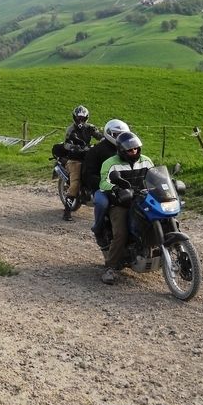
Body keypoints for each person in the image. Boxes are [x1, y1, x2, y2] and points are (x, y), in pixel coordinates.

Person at [99, 131, 154, 285]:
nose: (134, 151)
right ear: (122, 150)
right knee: (121, 233)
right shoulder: (110, 163)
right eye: (130, 150)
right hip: (121, 203)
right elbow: (103, 183)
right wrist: (116, 189)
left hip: (143, 199)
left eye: (136, 148)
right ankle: (110, 268)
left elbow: (155, 178)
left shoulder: (146, 161)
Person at [83, 118, 130, 250]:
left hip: (126, 185)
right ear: (108, 133)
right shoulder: (96, 151)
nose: (120, 137)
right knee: (102, 203)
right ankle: (98, 229)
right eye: (116, 134)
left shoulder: (128, 149)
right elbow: (89, 174)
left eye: (122, 134)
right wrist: (105, 183)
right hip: (102, 187)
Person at [61, 105, 102, 221]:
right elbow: (66, 144)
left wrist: (106, 139)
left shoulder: (90, 128)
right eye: (78, 118)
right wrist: (74, 147)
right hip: (75, 159)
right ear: (74, 117)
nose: (80, 120)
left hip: (88, 156)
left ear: (86, 118)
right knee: (75, 183)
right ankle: (67, 212)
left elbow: (100, 136)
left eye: (83, 118)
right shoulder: (71, 129)